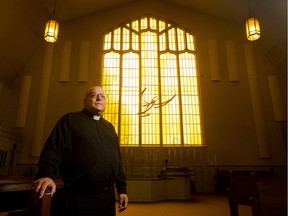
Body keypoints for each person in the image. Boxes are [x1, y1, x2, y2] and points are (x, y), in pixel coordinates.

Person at [32, 86, 128, 216]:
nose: (99, 98)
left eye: (103, 95)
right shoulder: (70, 120)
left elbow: (117, 160)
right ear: (85, 101)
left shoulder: (110, 128)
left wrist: (122, 189)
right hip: (78, 199)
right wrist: (46, 175)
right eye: (94, 95)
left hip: (107, 199)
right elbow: (53, 149)